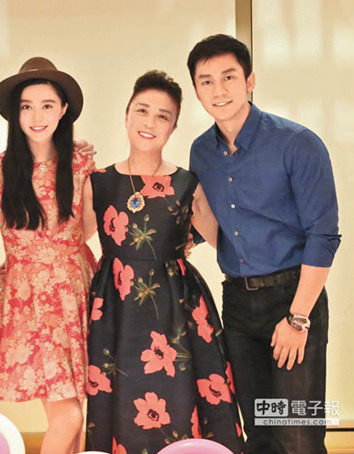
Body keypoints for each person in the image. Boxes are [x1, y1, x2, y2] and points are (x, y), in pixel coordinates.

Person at [187, 34, 341, 454]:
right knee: (258, 434)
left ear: (250, 80)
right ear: (197, 91)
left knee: (298, 435)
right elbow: (213, 224)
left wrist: (298, 318)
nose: (219, 90)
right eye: (206, 81)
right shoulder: (201, 153)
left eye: (229, 77)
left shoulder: (297, 143)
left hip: (294, 297)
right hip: (238, 304)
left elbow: (324, 235)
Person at [83, 70, 244, 454]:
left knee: (180, 397)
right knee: (122, 398)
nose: (150, 122)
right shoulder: (98, 182)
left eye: (162, 116)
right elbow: (70, 241)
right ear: (126, 115)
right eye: (142, 111)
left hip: (177, 307)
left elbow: (224, 238)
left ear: (173, 127)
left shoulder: (187, 183)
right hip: (115, 307)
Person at [0, 57, 96, 454]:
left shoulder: (81, 164)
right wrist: (20, 261)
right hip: (30, 302)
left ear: (63, 110)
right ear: (15, 114)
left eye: (47, 105)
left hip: (77, 292)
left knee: (77, 413)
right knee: (69, 417)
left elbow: (87, 228)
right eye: (26, 106)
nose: (36, 116)